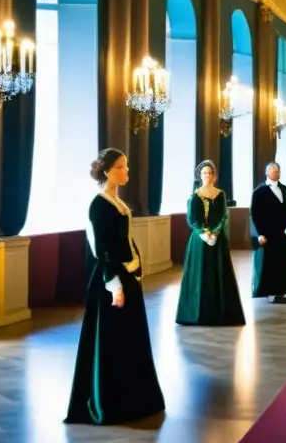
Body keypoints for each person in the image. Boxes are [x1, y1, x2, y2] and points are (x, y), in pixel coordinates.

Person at [66, 148, 165, 425]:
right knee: (112, 341)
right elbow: (102, 249)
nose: (127, 172)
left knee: (130, 339)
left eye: (127, 166)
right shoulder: (99, 204)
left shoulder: (117, 202)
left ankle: (134, 398)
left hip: (127, 273)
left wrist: (136, 267)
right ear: (108, 170)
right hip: (112, 280)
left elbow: (125, 240)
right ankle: (111, 402)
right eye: (122, 167)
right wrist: (115, 285)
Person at [176, 160, 245, 326]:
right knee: (200, 274)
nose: (207, 175)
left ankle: (220, 313)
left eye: (210, 173)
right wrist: (203, 233)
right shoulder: (195, 195)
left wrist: (215, 232)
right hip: (199, 241)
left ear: (214, 176)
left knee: (218, 273)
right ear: (200, 176)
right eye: (204, 173)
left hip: (217, 238)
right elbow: (192, 219)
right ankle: (197, 313)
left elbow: (223, 216)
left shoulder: (220, 194)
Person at [250, 162, 286, 301]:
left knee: (283, 261)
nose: (278, 173)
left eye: (279, 171)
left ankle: (283, 289)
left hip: (282, 233)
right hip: (267, 233)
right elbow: (254, 214)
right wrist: (259, 234)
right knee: (268, 263)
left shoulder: (284, 189)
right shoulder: (259, 191)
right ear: (268, 172)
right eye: (276, 171)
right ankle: (268, 291)